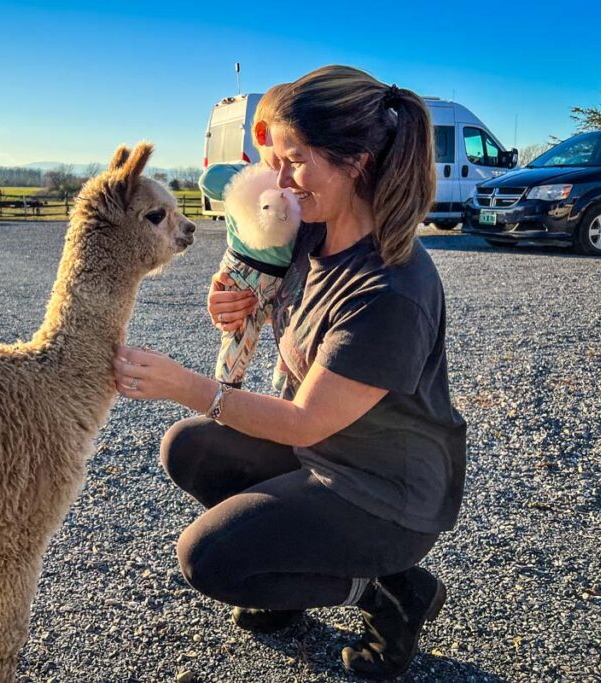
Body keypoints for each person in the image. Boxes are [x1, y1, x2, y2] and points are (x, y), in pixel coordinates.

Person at [113, 65, 467, 680]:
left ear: (356, 162)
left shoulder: (392, 288)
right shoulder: (308, 236)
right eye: (276, 158)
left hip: (383, 493)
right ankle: (299, 577)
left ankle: (392, 591)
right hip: (320, 455)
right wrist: (227, 299)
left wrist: (185, 385)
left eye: (295, 160)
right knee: (189, 448)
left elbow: (306, 417)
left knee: (211, 559)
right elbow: (254, 286)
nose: (278, 179)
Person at [198, 83, 293, 390]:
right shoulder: (248, 175)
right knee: (239, 335)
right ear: (262, 136)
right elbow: (208, 180)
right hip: (244, 272)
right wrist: (244, 178)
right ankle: (226, 393)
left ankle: (285, 379)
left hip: (285, 278)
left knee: (293, 333)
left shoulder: (301, 188)